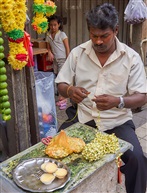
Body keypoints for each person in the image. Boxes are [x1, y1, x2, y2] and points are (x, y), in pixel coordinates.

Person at [55, 3, 147, 193]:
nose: (98, 42)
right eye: (94, 36)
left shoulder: (131, 58)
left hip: (117, 122)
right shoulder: (78, 53)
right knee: (58, 153)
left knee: (137, 159)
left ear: (115, 30)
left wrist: (119, 101)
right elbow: (61, 85)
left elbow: (142, 96)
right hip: (84, 120)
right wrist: (71, 90)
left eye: (104, 36)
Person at [46, 15, 70, 109]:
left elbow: (67, 48)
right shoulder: (48, 35)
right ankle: (61, 96)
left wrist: (68, 59)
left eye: (55, 25)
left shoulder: (62, 35)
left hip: (63, 59)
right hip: (55, 60)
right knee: (56, 76)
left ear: (59, 25)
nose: (53, 27)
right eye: (51, 25)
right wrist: (49, 52)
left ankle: (64, 99)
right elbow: (48, 47)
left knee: (62, 79)